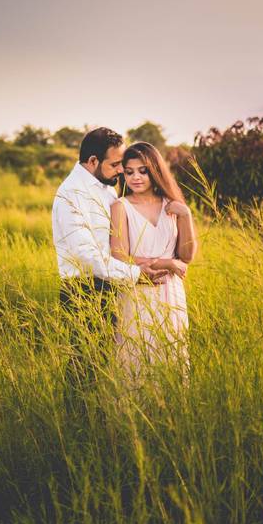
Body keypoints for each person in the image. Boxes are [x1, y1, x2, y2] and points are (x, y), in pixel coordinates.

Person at [51, 128, 167, 387]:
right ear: (92, 162)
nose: (120, 170)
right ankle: (78, 423)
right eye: (115, 164)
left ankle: (101, 422)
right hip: (83, 290)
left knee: (106, 363)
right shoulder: (70, 194)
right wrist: (136, 274)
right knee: (84, 366)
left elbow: (113, 243)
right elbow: (87, 254)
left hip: (110, 286)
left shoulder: (106, 189)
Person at [110, 142, 197, 383]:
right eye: (129, 172)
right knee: (136, 358)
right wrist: (166, 263)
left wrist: (186, 215)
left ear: (155, 170)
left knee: (172, 357)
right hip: (138, 291)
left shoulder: (172, 205)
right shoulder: (121, 206)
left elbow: (187, 257)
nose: (135, 177)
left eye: (143, 170)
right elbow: (120, 255)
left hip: (171, 294)